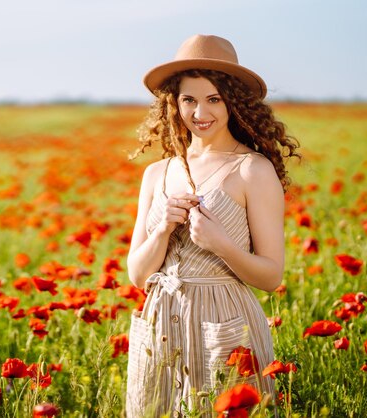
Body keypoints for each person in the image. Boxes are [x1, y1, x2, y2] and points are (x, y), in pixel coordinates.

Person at [125, 34, 301, 418]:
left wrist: (222, 244)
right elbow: (138, 276)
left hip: (224, 321)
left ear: (233, 102)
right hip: (160, 322)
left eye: (213, 99)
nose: (200, 112)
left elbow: (271, 276)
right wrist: (161, 231)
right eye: (189, 99)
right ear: (174, 102)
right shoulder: (158, 173)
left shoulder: (253, 170)